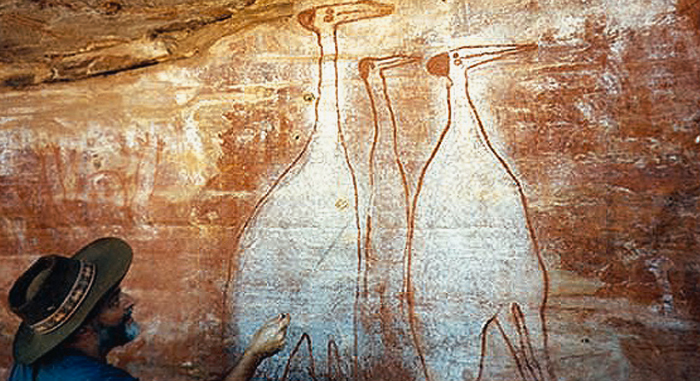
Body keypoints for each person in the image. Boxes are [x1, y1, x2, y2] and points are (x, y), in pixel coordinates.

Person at [6, 237, 290, 381]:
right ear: (82, 329)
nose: (131, 302)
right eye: (115, 301)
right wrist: (255, 353)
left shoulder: (27, 367)